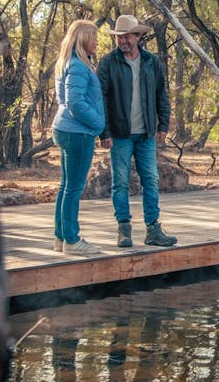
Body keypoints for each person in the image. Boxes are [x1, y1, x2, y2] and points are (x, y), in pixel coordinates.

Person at [97, 14, 178, 248]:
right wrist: (105, 132)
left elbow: (162, 94)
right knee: (120, 182)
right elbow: (101, 98)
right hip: (120, 134)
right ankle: (124, 229)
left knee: (151, 181)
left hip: (145, 134)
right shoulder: (108, 63)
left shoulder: (151, 62)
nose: (123, 41)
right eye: (119, 37)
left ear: (137, 37)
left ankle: (153, 230)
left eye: (127, 37)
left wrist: (163, 124)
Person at [52, 19, 106, 255]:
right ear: (83, 39)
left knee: (66, 186)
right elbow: (74, 102)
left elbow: (62, 99)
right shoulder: (78, 66)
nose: (96, 42)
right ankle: (72, 241)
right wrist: (98, 123)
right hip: (77, 133)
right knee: (73, 188)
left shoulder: (68, 63)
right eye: (93, 37)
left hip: (66, 129)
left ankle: (61, 237)